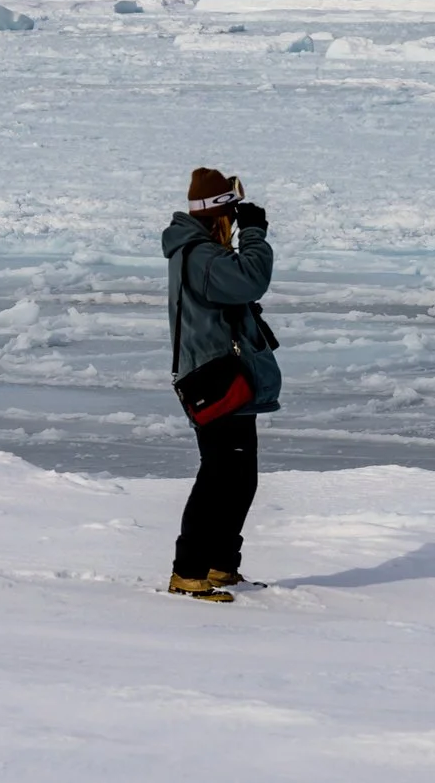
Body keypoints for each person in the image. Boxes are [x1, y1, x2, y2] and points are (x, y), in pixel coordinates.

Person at [162, 166, 281, 602]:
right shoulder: (202, 257)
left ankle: (220, 564)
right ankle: (188, 571)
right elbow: (251, 278)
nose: (237, 224)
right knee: (219, 477)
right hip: (215, 380)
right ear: (221, 215)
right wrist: (255, 235)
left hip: (227, 378)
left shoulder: (203, 252)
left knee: (239, 477)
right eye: (233, 215)